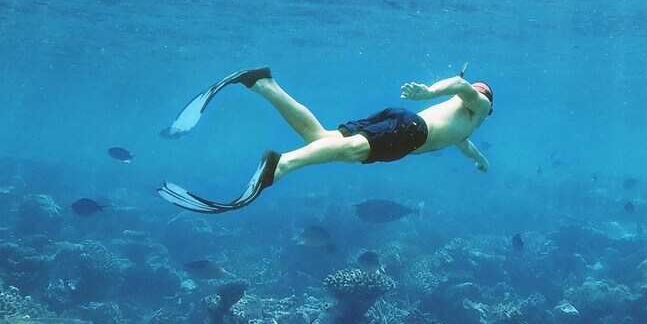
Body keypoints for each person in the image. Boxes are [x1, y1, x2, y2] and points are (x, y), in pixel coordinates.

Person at [158, 67, 493, 213]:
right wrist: (430, 92)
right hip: (411, 131)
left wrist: (480, 160)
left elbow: (464, 145)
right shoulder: (480, 105)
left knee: (320, 138)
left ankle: (262, 83)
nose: (476, 95)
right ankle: (281, 165)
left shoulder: (466, 128)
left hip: (403, 121)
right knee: (349, 152)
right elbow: (462, 86)